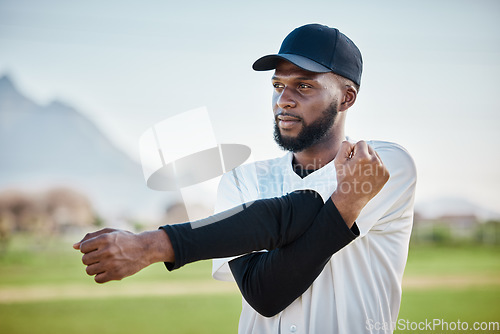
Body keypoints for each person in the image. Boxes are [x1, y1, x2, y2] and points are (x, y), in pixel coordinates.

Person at [74, 23, 416, 334]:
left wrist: (151, 245)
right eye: (278, 85)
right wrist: (345, 204)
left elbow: (289, 215)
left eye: (305, 86)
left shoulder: (385, 164)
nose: (284, 100)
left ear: (347, 97)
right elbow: (263, 292)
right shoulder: (244, 179)